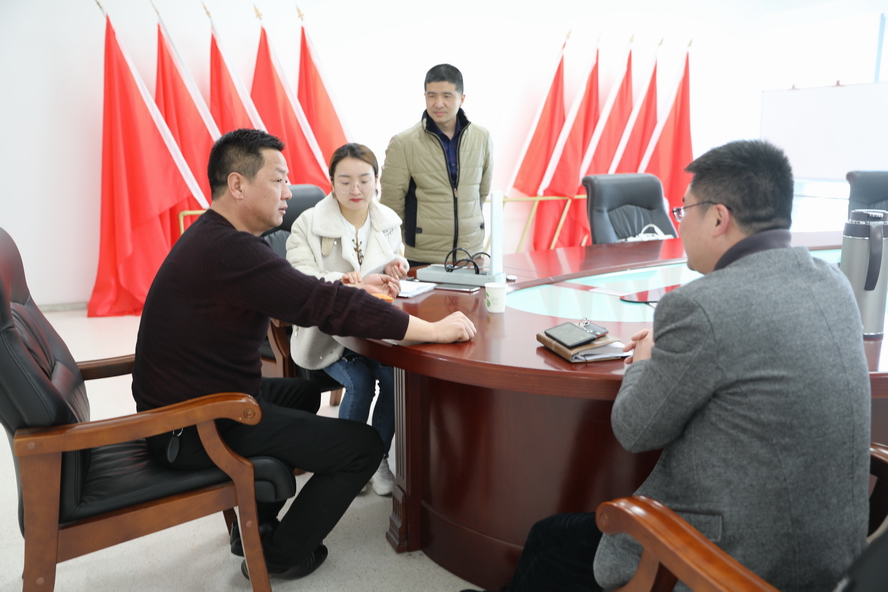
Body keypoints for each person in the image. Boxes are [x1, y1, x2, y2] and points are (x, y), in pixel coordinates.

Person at [462, 139, 871, 592]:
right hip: (833, 558)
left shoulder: (701, 306)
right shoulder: (834, 282)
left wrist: (643, 360)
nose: (679, 223)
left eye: (684, 210)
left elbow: (635, 430)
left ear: (718, 218)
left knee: (549, 539)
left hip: (736, 562)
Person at [131, 128, 476, 582]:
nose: (289, 192)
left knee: (301, 393)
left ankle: (256, 522)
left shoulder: (216, 237)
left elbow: (307, 290)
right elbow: (324, 305)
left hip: (190, 405)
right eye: (278, 180)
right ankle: (280, 555)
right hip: (194, 425)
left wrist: (360, 285)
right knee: (363, 447)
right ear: (237, 185)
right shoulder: (231, 250)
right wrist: (431, 330)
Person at [286, 143, 406, 496]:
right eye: (345, 181)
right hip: (326, 333)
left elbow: (393, 261)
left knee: (395, 379)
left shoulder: (388, 221)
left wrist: (394, 267)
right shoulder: (308, 223)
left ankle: (375, 459)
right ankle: (347, 463)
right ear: (331, 182)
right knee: (360, 381)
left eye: (364, 180)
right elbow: (298, 278)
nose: (356, 190)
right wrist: (341, 281)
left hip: (371, 330)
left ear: (376, 181)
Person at [380, 63, 493, 267]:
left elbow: (480, 192)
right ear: (425, 96)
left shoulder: (482, 138)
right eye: (432, 96)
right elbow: (391, 207)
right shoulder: (403, 143)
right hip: (423, 257)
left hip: (471, 254)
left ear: (462, 98)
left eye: (447, 96)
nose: (438, 103)